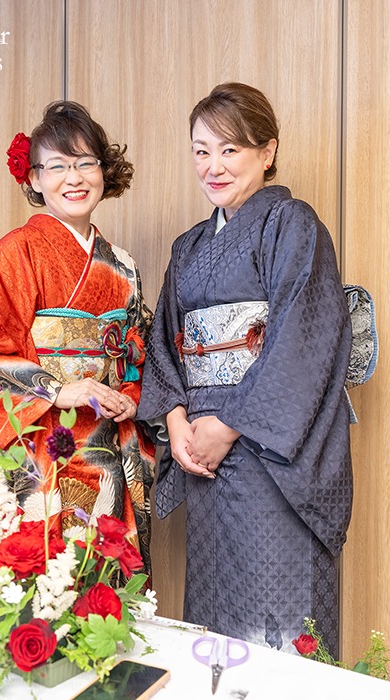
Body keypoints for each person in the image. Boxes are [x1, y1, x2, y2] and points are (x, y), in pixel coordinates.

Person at [137, 82, 352, 655]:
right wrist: (177, 422)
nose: (213, 166)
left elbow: (303, 339)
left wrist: (228, 425)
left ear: (267, 150)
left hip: (268, 457)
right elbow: (165, 343)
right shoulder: (187, 247)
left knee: (277, 612)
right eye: (201, 151)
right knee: (215, 621)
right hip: (202, 454)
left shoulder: (292, 223)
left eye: (229, 149)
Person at [0, 101, 155, 574]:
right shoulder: (16, 253)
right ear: (35, 179)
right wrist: (57, 390)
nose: (74, 178)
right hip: (40, 447)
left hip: (106, 448)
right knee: (41, 579)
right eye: (57, 166)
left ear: (104, 170)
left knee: (104, 582)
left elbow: (138, 351)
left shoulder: (123, 266)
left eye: (85, 163)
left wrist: (131, 396)